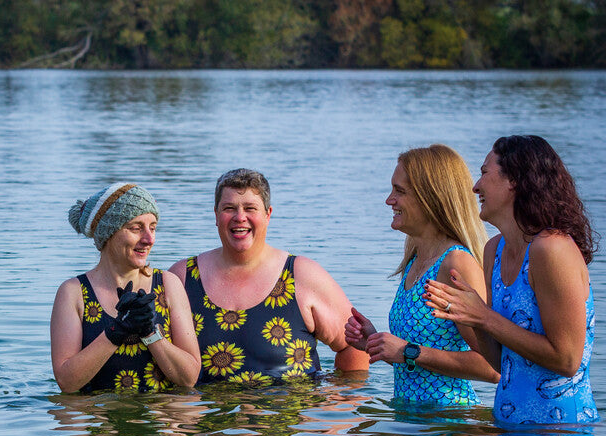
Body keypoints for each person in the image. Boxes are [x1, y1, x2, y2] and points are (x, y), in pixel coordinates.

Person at [425, 135, 598, 425]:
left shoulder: (552, 248)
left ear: (514, 180)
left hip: (559, 433)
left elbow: (567, 360)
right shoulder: (493, 250)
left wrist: (485, 317)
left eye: (483, 173)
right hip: (506, 428)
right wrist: (472, 316)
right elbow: (498, 363)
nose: (475, 186)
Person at [169, 169, 368, 385]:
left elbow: (355, 346)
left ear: (268, 214)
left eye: (250, 208)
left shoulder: (302, 275)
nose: (239, 217)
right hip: (206, 414)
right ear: (216, 215)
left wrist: (334, 409)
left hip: (288, 414)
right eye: (229, 208)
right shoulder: (182, 278)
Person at [344, 145, 498, 404]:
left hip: (449, 428)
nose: (389, 200)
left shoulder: (456, 263)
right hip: (413, 427)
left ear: (431, 198)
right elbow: (417, 363)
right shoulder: (415, 261)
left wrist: (407, 351)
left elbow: (492, 368)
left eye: (400, 191)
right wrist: (377, 342)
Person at [50, 182, 200, 393]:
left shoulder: (168, 284)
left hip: (157, 417)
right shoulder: (73, 292)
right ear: (108, 233)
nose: (149, 239)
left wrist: (150, 332)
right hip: (100, 420)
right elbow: (67, 383)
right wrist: (116, 331)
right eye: (136, 228)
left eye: (153, 227)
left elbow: (189, 378)